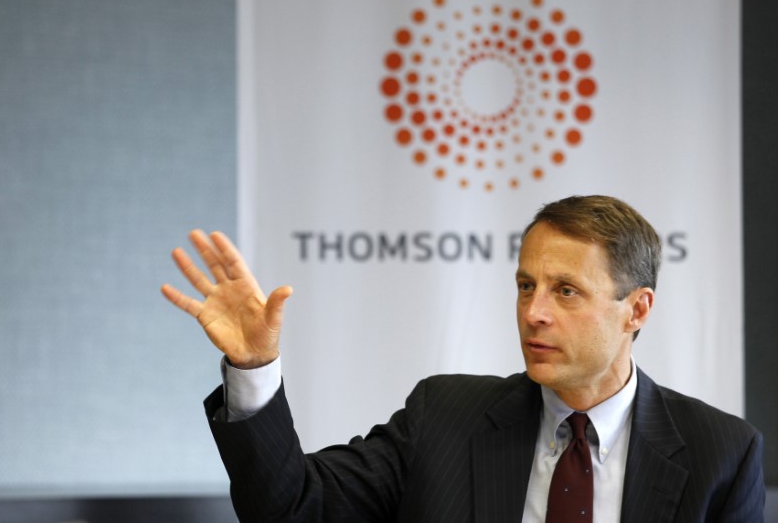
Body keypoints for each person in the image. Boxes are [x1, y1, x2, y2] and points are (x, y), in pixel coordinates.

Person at [161, 195, 765, 522]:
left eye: (566, 291)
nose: (534, 313)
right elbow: (292, 509)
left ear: (637, 309)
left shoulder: (721, 453)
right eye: (526, 286)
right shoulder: (445, 417)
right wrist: (255, 370)